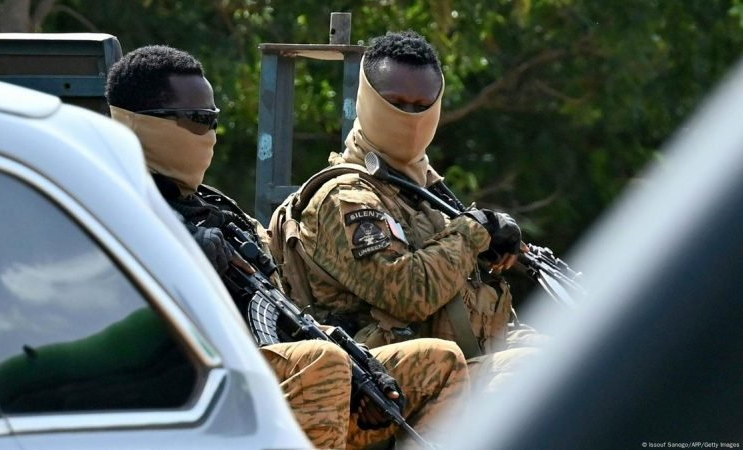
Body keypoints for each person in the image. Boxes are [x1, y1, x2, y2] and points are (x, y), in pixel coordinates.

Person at [105, 44, 469, 450]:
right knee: (322, 363)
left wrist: (362, 368)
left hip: (258, 372)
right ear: (144, 123)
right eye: (197, 120)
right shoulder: (107, 202)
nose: (210, 134)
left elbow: (281, 312)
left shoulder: (217, 211)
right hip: (177, 383)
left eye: (213, 120)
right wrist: (177, 258)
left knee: (438, 362)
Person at [271, 30, 541, 394]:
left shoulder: (425, 193)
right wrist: (473, 231)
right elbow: (410, 294)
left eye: (421, 106)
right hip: (375, 385)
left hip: (451, 369)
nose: (410, 118)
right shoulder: (345, 197)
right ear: (368, 101)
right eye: (396, 103)